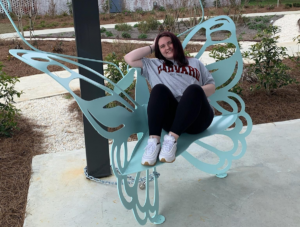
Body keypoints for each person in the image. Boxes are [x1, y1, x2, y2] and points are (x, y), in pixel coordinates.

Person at [124, 31, 215, 166]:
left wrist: (191, 95)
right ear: (158, 50)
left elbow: (211, 87)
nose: (167, 47)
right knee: (158, 89)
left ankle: (171, 140)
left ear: (176, 43)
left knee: (194, 89)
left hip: (198, 118)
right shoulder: (153, 64)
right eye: (162, 46)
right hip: (171, 120)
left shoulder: (195, 62)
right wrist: (153, 46)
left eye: (169, 43)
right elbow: (129, 58)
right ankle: (154, 143)